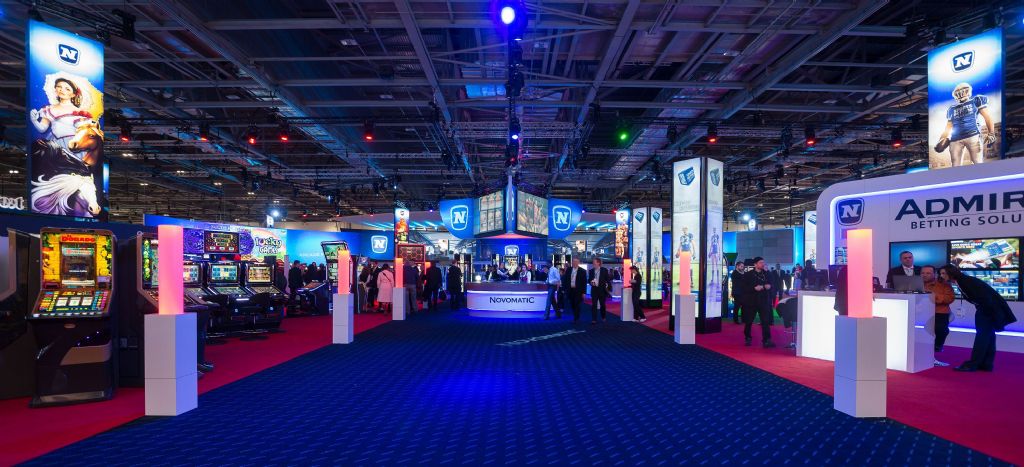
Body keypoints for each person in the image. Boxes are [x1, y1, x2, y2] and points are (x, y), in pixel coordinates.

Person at [941, 265, 1017, 372]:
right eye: (941, 273)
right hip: (988, 309)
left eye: (944, 273)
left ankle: (972, 364)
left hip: (987, 309)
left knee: (982, 336)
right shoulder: (962, 281)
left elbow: (984, 297)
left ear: (951, 273)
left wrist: (986, 312)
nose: (942, 276)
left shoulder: (964, 281)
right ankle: (986, 364)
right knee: (988, 336)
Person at [936, 82, 996, 167]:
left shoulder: (976, 100)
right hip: (955, 139)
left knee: (977, 163)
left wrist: (991, 133)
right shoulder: (952, 109)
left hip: (973, 135)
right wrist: (941, 140)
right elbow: (948, 128)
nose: (961, 94)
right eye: (958, 92)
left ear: (968, 91)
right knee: (955, 166)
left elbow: (987, 117)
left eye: (963, 91)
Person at [922, 265, 955, 364]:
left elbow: (949, 298)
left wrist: (933, 296)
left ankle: (936, 348)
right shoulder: (916, 284)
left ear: (935, 274)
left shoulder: (944, 285)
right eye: (923, 273)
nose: (924, 275)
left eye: (928, 273)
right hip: (921, 312)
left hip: (939, 312)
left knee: (941, 329)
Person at [742, 257, 776, 348]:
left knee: (765, 321)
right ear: (755, 264)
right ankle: (748, 338)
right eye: (760, 262)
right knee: (749, 321)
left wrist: (769, 286)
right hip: (751, 301)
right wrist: (754, 288)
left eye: (763, 262)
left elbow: (772, 284)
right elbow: (744, 288)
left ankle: (767, 340)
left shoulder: (766, 274)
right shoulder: (748, 274)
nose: (762, 264)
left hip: (764, 301)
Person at [563, 257, 587, 323]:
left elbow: (584, 282)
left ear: (578, 263)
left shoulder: (582, 271)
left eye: (576, 262)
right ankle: (575, 315)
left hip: (578, 291)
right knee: (572, 303)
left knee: (577, 304)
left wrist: (584, 292)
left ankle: (576, 317)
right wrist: (564, 289)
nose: (574, 263)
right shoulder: (569, 270)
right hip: (570, 290)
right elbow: (565, 280)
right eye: (573, 261)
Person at [588, 258, 611, 324]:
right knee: (594, 305)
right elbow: (589, 279)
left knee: (602, 305)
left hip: (602, 290)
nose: (593, 263)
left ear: (598, 263)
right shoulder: (591, 271)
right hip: (594, 290)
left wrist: (608, 288)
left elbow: (608, 280)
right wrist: (590, 282)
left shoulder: (604, 270)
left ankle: (603, 317)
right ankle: (594, 319)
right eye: (593, 262)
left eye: (594, 262)